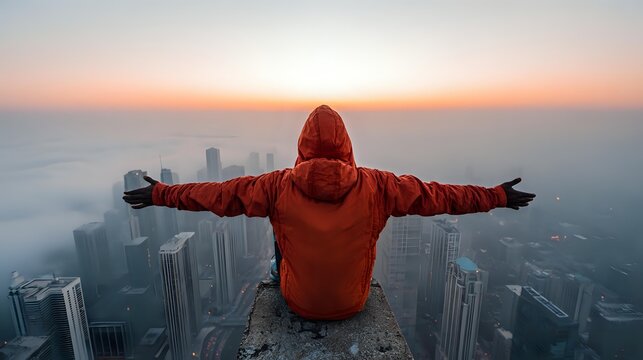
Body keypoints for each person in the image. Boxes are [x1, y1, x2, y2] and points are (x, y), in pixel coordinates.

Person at [123, 105, 535, 320]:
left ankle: (283, 273)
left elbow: (218, 195)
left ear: (302, 146)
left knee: (280, 231)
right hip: (354, 302)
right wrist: (496, 195)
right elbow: (440, 196)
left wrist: (162, 193)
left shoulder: (276, 185)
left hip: (297, 301)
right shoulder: (379, 187)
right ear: (347, 146)